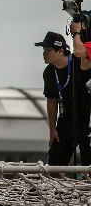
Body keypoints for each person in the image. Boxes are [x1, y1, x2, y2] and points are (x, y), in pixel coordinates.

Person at [36, 31, 91, 165]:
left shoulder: (79, 62)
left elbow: (81, 53)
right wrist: (52, 129)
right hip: (66, 119)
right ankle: (56, 185)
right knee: (54, 163)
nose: (44, 53)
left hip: (86, 119)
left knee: (88, 164)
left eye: (48, 50)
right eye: (43, 50)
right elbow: (51, 100)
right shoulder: (49, 72)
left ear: (60, 51)